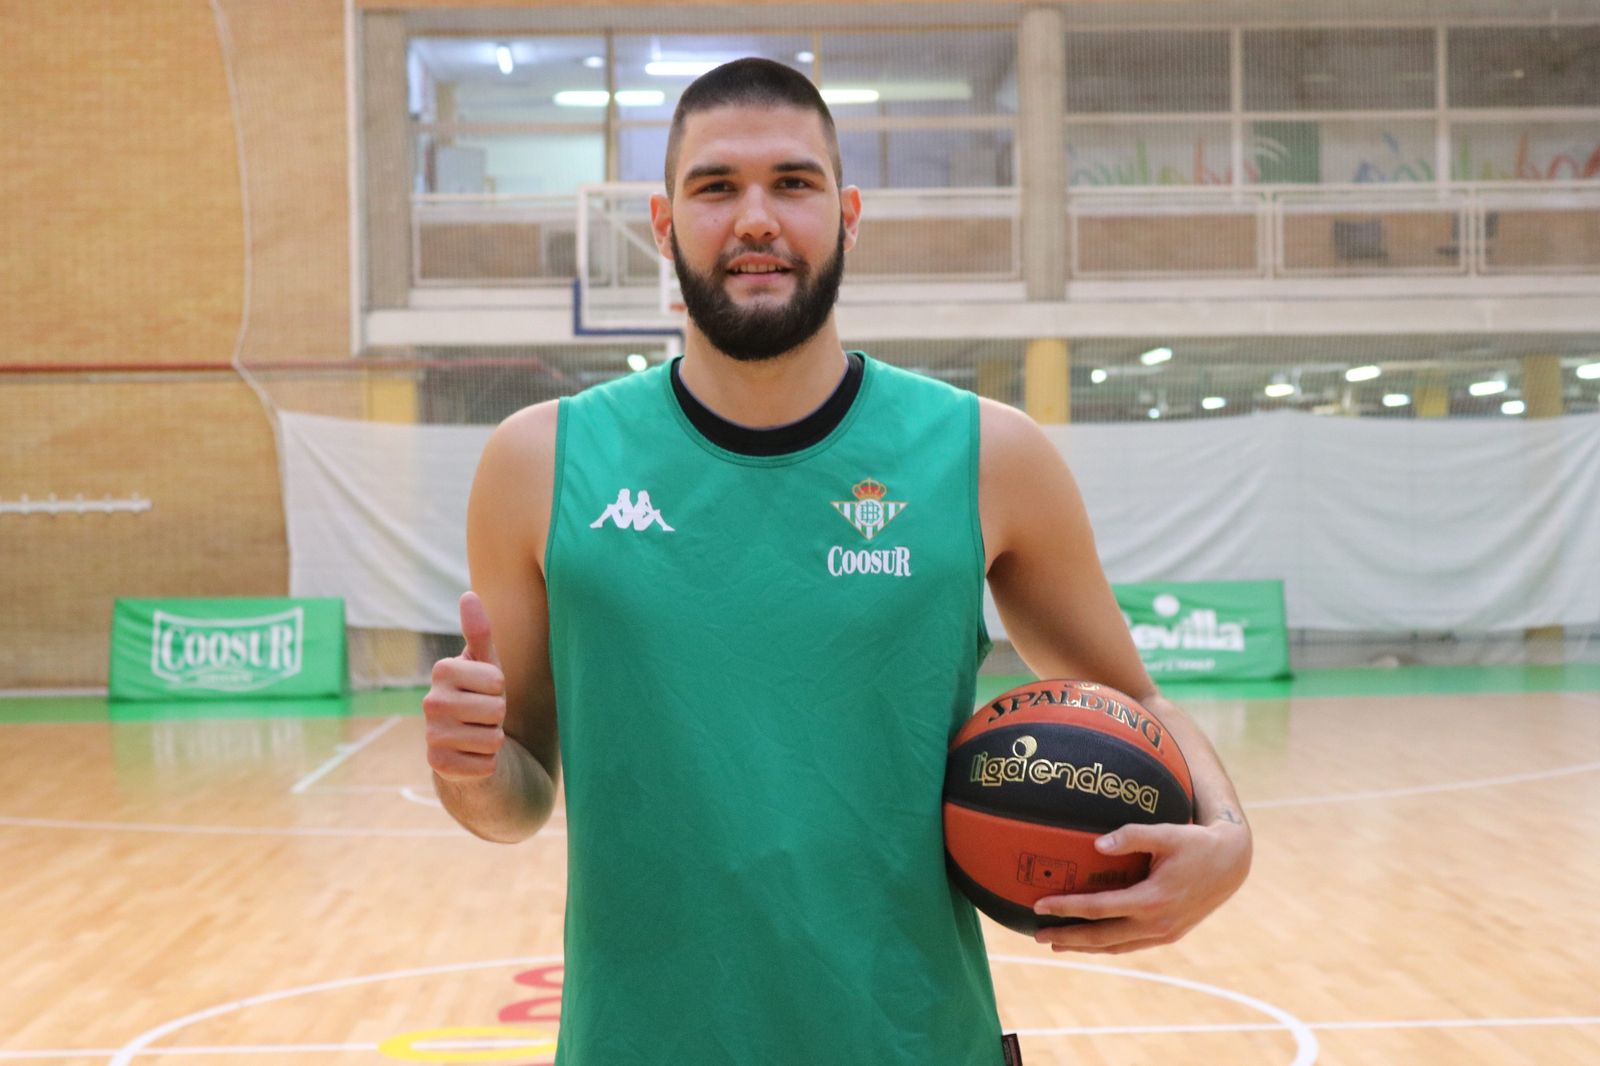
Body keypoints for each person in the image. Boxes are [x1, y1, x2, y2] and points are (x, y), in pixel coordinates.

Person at [424, 57, 1251, 1066]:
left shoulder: (989, 456)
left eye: (793, 183)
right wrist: (471, 772)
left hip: (913, 1038)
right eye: (716, 187)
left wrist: (1229, 838)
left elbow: (1138, 702)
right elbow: (519, 792)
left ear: (848, 216)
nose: (755, 218)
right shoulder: (539, 462)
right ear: (662, 223)